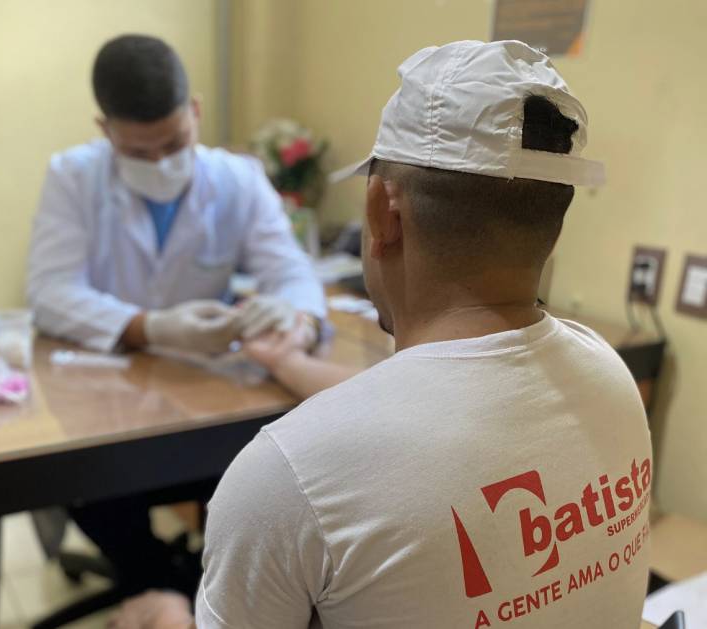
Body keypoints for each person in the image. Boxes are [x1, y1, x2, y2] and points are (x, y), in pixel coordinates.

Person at [115, 39, 654, 628]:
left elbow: (392, 435)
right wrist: (289, 361)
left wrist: (176, 617)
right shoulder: (608, 374)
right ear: (554, 221)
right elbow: (433, 410)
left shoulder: (282, 479)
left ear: (382, 213)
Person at [25, 34, 326, 597]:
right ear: (105, 129)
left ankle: (190, 590)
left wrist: (293, 316)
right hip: (107, 398)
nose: (161, 163)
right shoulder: (73, 177)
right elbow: (49, 290)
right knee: (95, 491)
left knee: (253, 475)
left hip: (199, 396)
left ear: (195, 112)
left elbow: (293, 271)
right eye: (139, 153)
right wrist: (150, 326)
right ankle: (165, 588)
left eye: (173, 143)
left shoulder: (237, 178)